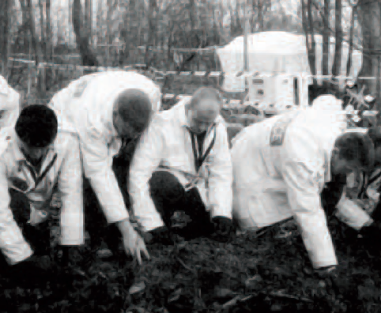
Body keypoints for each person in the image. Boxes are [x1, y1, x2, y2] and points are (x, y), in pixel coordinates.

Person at [231, 94, 375, 273]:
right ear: (337, 153)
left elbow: (333, 197)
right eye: (348, 169)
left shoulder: (332, 133)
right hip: (247, 169)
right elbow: (307, 210)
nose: (348, 175)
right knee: (261, 227)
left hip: (266, 151)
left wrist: (366, 225)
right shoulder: (303, 157)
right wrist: (326, 263)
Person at [49, 70, 162, 264]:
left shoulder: (151, 94)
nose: (130, 137)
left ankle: (116, 233)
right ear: (116, 114)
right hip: (68, 115)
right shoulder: (90, 119)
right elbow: (99, 175)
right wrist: (128, 229)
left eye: (135, 133)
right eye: (125, 131)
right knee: (86, 181)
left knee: (122, 170)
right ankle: (88, 239)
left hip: (104, 95)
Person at [0, 105, 83, 284]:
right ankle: (6, 253)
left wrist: (71, 244)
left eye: (44, 147)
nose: (37, 153)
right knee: (17, 268)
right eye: (31, 147)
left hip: (41, 210)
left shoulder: (68, 141)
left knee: (46, 265)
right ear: (19, 138)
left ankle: (37, 238)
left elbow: (71, 193)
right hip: (14, 208)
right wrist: (21, 258)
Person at [129, 87, 234, 244]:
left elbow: (221, 172)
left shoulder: (218, 127)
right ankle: (156, 229)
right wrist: (152, 224)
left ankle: (183, 234)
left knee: (215, 230)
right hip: (165, 187)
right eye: (198, 121)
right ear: (189, 108)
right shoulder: (161, 124)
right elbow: (139, 174)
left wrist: (221, 212)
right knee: (162, 181)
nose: (202, 128)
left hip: (193, 189)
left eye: (208, 123)